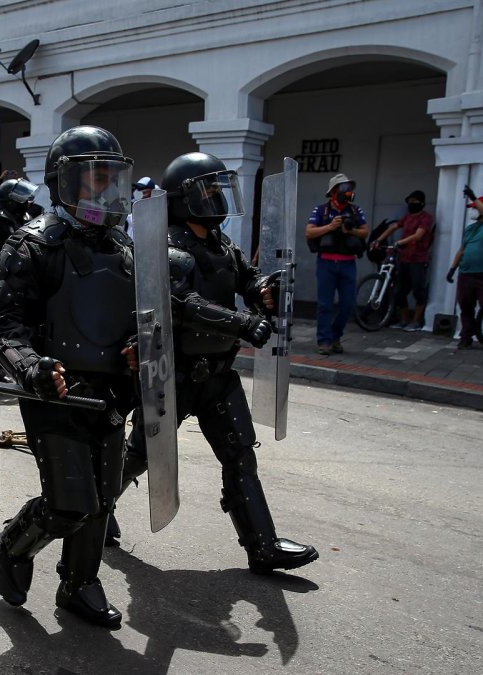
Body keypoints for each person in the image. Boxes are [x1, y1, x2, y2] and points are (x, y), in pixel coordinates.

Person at [117, 152, 318, 573]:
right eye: (208, 190)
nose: (216, 198)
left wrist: (264, 286)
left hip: (218, 374)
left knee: (240, 454)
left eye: (217, 189)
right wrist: (241, 323)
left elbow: (246, 276)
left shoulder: (220, 243)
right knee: (141, 454)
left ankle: (262, 546)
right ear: (184, 198)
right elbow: (181, 305)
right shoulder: (167, 246)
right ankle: (92, 515)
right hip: (174, 374)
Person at [0, 125, 137, 629]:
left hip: (112, 394)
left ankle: (79, 584)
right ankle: (12, 544)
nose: (103, 191)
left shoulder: (125, 248)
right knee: (70, 504)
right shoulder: (31, 246)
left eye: (110, 179)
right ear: (63, 182)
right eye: (92, 180)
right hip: (54, 393)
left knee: (103, 497)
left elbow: (142, 318)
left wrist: (143, 352)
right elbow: (4, 329)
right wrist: (31, 368)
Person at [306, 173, 368, 355]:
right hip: (326, 263)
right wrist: (331, 227)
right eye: (342, 188)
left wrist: (351, 230)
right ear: (333, 191)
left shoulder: (356, 211)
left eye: (348, 188)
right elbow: (309, 232)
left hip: (348, 264)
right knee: (325, 305)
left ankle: (336, 336)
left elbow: (365, 233)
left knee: (347, 304)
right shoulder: (321, 211)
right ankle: (324, 341)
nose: (347, 192)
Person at [446, 187, 483, 349]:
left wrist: (474, 198)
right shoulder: (470, 229)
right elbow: (462, 250)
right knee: (465, 307)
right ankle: (466, 337)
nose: (473, 211)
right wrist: (453, 268)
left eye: (476, 208)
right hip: (466, 274)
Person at [378, 190, 434, 330]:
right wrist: (378, 240)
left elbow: (418, 235)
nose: (411, 204)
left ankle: (416, 321)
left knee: (418, 290)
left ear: (422, 203)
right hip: (404, 258)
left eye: (415, 202)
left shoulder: (426, 218)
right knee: (399, 291)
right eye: (409, 201)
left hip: (418, 259)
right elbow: (393, 227)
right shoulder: (407, 217)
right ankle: (404, 319)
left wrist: (400, 242)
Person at [0, 177, 38, 245]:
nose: (27, 201)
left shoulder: (25, 218)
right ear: (10, 201)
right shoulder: (0, 222)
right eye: (22, 198)